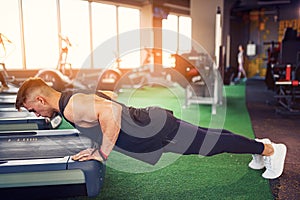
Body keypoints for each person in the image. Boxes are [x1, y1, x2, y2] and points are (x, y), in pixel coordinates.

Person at [15, 77, 287, 179]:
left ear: (40, 99)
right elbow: (106, 97)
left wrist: (102, 153)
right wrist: (99, 142)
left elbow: (108, 109)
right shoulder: (69, 99)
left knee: (212, 145)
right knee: (211, 139)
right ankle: (259, 146)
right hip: (152, 125)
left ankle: (270, 150)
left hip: (156, 130)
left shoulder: (71, 107)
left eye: (31, 108)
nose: (34, 113)